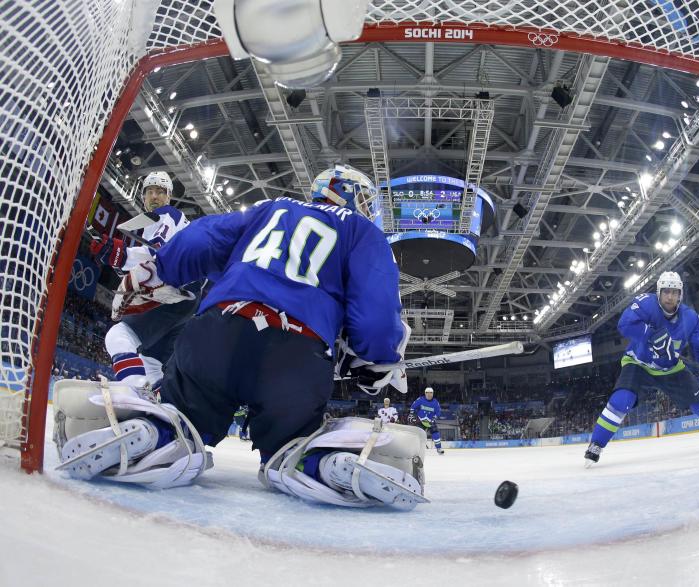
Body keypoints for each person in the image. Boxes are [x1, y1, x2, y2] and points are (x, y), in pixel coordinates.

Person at [57, 164, 426, 510]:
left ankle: (158, 434)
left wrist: (162, 268)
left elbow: (200, 237)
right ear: (344, 193)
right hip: (296, 354)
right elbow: (377, 311)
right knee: (293, 440)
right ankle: (315, 463)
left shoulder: (269, 207)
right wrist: (375, 360)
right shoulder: (363, 231)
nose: (366, 208)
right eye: (362, 198)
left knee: (182, 416)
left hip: (218, 331)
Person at [585, 271, 699, 467]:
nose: (670, 296)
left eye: (674, 292)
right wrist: (650, 334)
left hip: (670, 368)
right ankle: (596, 444)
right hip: (638, 362)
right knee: (622, 399)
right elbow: (624, 324)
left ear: (681, 294)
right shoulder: (645, 303)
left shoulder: (690, 318)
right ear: (659, 292)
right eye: (666, 291)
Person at [90, 171, 202, 399]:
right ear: (142, 197)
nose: (155, 196)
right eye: (150, 191)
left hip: (175, 290)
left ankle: (135, 390)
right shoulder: (152, 225)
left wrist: (116, 251)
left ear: (169, 197)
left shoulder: (166, 214)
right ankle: (160, 405)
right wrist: (117, 257)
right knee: (151, 363)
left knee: (118, 336)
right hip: (187, 302)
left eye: (160, 192)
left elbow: (157, 252)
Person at [409, 387, 444, 455]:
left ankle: (439, 448)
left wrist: (434, 418)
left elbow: (438, 412)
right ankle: (415, 450)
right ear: (425, 393)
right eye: (427, 393)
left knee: (436, 434)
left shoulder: (436, 402)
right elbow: (413, 407)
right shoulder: (420, 399)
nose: (429, 394)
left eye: (431, 393)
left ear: (433, 394)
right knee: (417, 435)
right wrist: (411, 414)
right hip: (420, 421)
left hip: (430, 422)